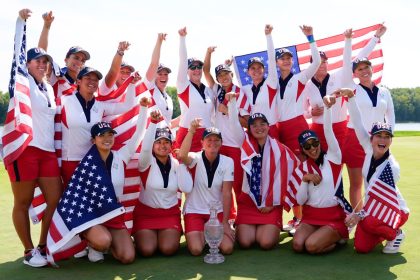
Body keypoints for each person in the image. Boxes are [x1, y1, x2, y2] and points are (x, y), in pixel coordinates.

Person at [49, 97, 149, 264]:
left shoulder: (120, 157)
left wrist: (144, 108)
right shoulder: (85, 164)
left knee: (128, 257)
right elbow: (75, 197)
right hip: (92, 215)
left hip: (113, 213)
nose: (107, 138)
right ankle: (93, 243)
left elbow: (138, 134)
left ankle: (109, 244)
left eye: (110, 134)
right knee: (103, 241)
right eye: (101, 135)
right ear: (93, 140)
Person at [3, 9, 62, 267]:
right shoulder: (22, 81)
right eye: (37, 61)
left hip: (47, 151)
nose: (42, 64)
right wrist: (21, 22)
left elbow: (42, 54)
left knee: (54, 199)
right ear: (26, 65)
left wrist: (48, 26)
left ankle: (42, 245)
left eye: (45, 62)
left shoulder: (48, 87)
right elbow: (20, 49)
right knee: (23, 201)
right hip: (25, 149)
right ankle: (29, 251)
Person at [339, 88, 409, 254]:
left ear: (391, 140)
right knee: (361, 247)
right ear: (371, 139)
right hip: (373, 208)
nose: (382, 140)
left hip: (394, 209)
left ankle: (395, 234)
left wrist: (358, 215)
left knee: (369, 223)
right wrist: (351, 98)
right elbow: (356, 121)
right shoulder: (368, 148)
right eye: (379, 136)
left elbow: (377, 197)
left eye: (387, 136)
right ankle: (380, 231)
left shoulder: (392, 168)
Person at [226, 93, 299, 250]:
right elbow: (233, 124)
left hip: (271, 204)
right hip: (248, 202)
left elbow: (287, 177)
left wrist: (272, 203)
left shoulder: (280, 150)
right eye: (254, 125)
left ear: (268, 126)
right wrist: (232, 103)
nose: (259, 128)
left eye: (262, 124)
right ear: (249, 129)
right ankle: (253, 227)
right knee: (245, 242)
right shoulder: (244, 143)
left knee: (265, 243)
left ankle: (269, 225)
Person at [274, 25, 321, 233]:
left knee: (305, 171)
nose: (286, 60)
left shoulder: (300, 78)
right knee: (290, 174)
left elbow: (317, 61)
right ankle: (297, 218)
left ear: (292, 61)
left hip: (298, 128)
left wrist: (310, 38)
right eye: (282, 58)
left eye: (288, 58)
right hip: (280, 130)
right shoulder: (273, 82)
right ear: (276, 62)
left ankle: (308, 219)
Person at [60, 67, 140, 188]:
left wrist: (132, 85)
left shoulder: (100, 106)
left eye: (95, 80)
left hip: (93, 162)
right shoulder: (64, 101)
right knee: (72, 205)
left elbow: (127, 106)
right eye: (88, 78)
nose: (92, 81)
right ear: (79, 81)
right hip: (70, 161)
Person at [341, 25, 393, 211]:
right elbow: (348, 63)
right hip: (354, 139)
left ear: (371, 69)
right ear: (354, 74)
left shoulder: (384, 91)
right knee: (357, 183)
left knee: (377, 181)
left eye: (366, 67)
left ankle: (376, 216)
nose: (364, 71)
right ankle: (357, 217)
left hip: (378, 139)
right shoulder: (351, 87)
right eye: (359, 69)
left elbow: (390, 117)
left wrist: (388, 138)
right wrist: (351, 41)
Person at [291, 95, 350, 254]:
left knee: (311, 246)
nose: (312, 148)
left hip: (332, 216)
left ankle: (338, 238)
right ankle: (322, 237)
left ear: (319, 143)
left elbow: (328, 131)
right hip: (311, 217)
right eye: (307, 146)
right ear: (302, 149)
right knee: (297, 245)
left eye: (314, 143)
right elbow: (300, 200)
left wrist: (328, 108)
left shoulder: (333, 158)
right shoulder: (302, 168)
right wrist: (305, 179)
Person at [132, 111, 192, 256]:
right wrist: (152, 122)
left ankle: (172, 232)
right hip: (146, 214)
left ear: (171, 145)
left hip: (169, 214)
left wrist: (183, 164)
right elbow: (145, 148)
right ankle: (141, 238)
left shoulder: (177, 164)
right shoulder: (146, 162)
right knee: (147, 250)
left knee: (167, 249)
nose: (162, 145)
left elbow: (187, 188)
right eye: (158, 142)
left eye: (166, 142)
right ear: (153, 145)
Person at [203, 46, 251, 220]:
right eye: (220, 76)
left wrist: (230, 111)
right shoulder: (216, 90)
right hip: (219, 145)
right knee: (221, 184)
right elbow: (205, 71)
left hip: (236, 145)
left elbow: (248, 122)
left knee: (238, 183)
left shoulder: (240, 93)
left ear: (231, 75)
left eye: (226, 74)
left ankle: (242, 219)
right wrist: (208, 53)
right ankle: (229, 217)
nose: (223, 78)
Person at [178, 120, 235, 256]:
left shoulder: (228, 162)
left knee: (227, 248)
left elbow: (227, 193)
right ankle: (203, 232)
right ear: (202, 142)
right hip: (194, 211)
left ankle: (207, 232)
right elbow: (182, 155)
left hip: (217, 212)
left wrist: (225, 222)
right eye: (209, 139)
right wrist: (191, 131)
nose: (213, 143)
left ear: (221, 143)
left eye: (217, 140)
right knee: (196, 249)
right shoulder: (195, 158)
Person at [174, 27, 216, 152]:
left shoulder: (208, 90)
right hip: (188, 133)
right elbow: (182, 60)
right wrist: (182, 38)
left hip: (207, 136)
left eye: (199, 67)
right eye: (192, 67)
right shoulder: (183, 86)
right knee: (184, 170)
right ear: (186, 71)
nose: (196, 70)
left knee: (205, 170)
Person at [241, 25, 278, 138]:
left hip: (271, 129)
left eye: (259, 68)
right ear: (248, 72)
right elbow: (242, 109)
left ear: (264, 69)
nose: (256, 71)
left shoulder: (270, 83)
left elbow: (272, 59)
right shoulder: (245, 89)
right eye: (253, 68)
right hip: (253, 131)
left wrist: (268, 36)